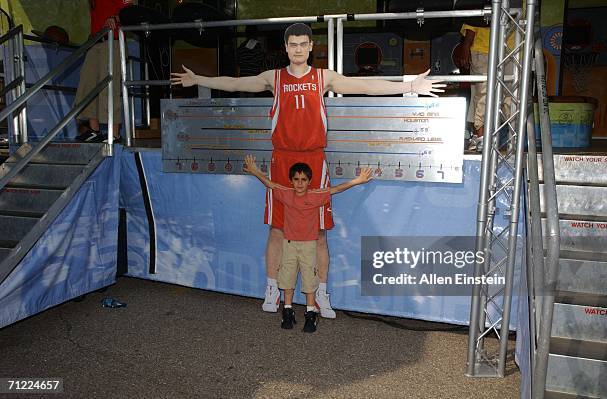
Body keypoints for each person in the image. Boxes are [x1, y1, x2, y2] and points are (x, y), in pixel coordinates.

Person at [171, 23, 445, 319]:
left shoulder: (323, 78)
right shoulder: (273, 78)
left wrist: (410, 87)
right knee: (277, 230)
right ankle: (273, 288)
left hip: (314, 162)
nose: (299, 49)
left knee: (318, 234)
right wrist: (199, 78)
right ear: (286, 48)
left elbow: (366, 86)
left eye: (304, 44)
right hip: (282, 162)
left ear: (311, 47)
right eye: (293, 45)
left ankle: (322, 294)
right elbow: (236, 84)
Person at [243, 155, 373, 332]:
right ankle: (287, 311)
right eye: (296, 179)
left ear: (309, 181)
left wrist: (357, 180)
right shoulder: (286, 194)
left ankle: (310, 313)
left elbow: (335, 189)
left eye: (303, 179)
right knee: (287, 278)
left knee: (309, 280)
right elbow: (270, 184)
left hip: (309, 247)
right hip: (288, 245)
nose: (299, 183)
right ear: (291, 181)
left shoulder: (315, 196)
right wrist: (255, 171)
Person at [75, 0, 132, 143]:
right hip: (96, 41)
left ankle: (115, 134)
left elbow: (130, 11)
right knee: (88, 85)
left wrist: (115, 18)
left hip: (114, 40)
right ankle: (94, 131)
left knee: (110, 87)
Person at [455, 23, 514, 152]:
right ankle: (481, 137)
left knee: (510, 95)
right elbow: (472, 19)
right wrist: (465, 46)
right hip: (483, 48)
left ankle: (513, 137)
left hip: (511, 48)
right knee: (483, 94)